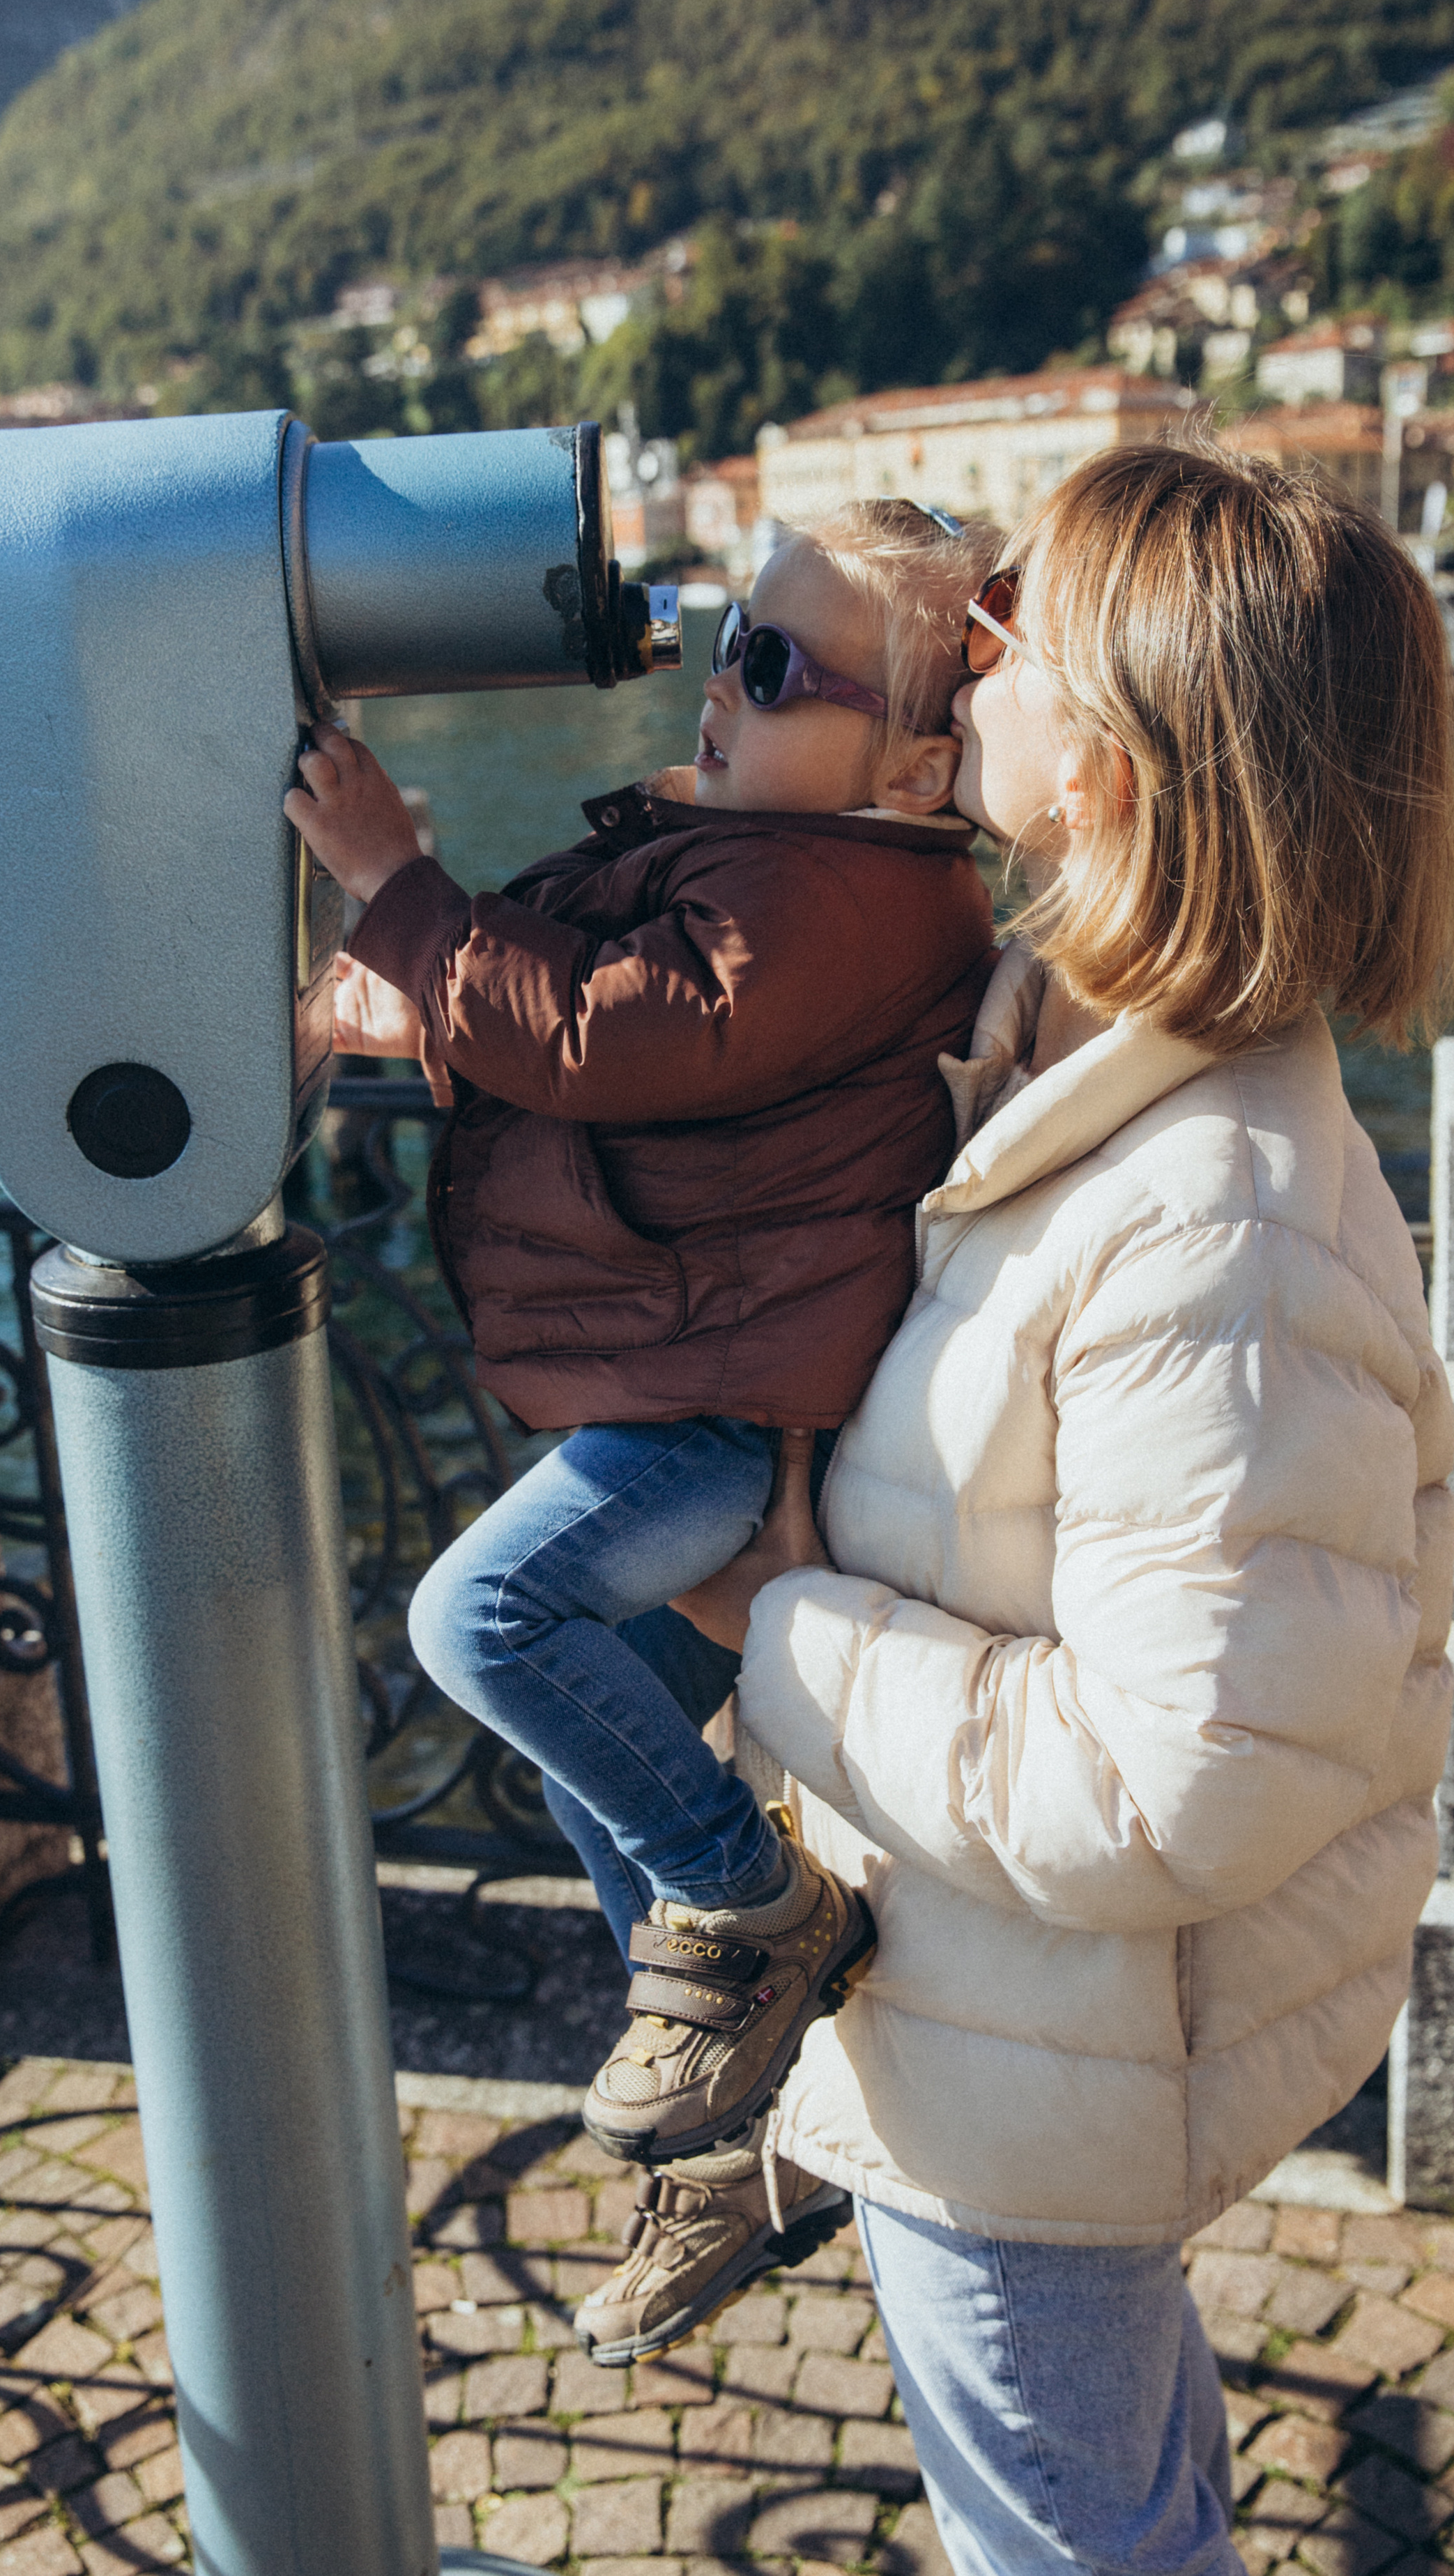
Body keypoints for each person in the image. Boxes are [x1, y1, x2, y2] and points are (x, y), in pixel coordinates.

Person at [573, 443, 1454, 2574]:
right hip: (1018, 2011)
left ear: (1123, 767)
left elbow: (1182, 1783)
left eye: (1016, 636)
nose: (964, 651)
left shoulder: (1214, 1218)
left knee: (1067, 2534)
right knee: (1112, 2475)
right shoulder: (1086, 1075)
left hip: (1038, 2062)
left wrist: (791, 1622)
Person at [284, 502, 997, 2176]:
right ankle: (729, 2110)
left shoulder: (852, 896)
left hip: (723, 1404)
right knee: (596, 1769)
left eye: (772, 666)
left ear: (909, 769)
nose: (719, 685)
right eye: (721, 641)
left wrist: (397, 886)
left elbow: (620, 1039)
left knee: (484, 1615)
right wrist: (439, 996)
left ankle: (753, 1916)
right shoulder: (789, 862)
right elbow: (637, 1040)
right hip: (716, 1363)